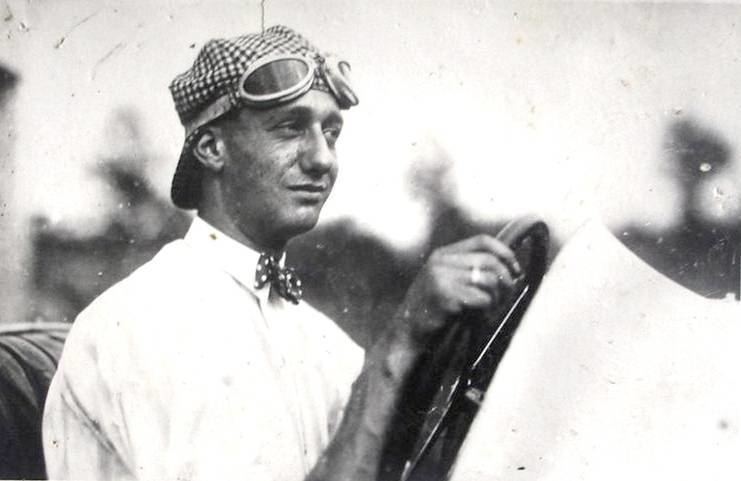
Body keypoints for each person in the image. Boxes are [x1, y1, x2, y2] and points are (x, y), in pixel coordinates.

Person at [42, 25, 521, 480]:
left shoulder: (330, 347)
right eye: (290, 128)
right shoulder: (141, 328)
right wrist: (401, 340)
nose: (322, 159)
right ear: (211, 148)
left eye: (331, 133)